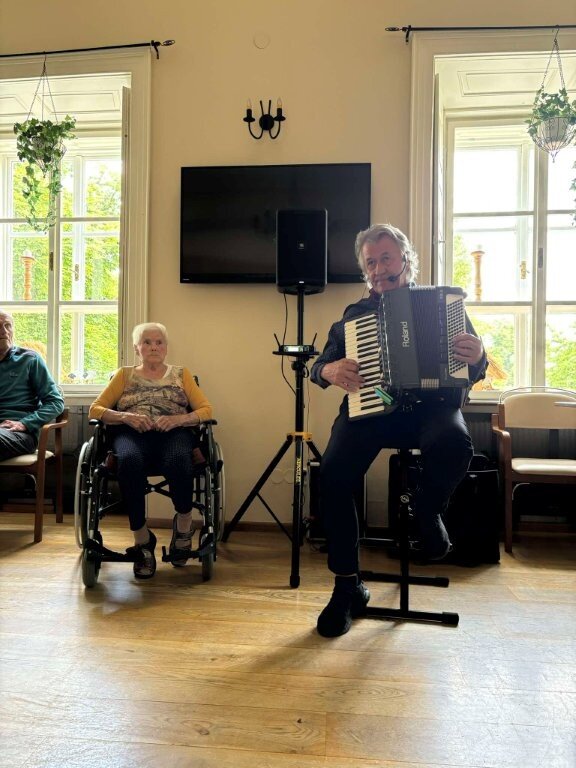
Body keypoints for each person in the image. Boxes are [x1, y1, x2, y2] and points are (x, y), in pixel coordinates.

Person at [310, 224, 487, 638]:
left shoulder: (445, 305)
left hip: (432, 407)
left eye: (385, 259)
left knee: (456, 442)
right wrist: (329, 370)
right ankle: (347, 586)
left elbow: (474, 367)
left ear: (406, 260)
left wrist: (478, 356)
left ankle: (427, 509)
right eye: (370, 263)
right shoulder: (355, 315)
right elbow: (320, 364)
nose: (378, 269)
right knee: (333, 475)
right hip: (373, 409)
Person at [89, 322, 213, 579]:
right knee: (129, 461)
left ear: (166, 348)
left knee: (179, 460)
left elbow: (206, 410)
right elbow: (96, 409)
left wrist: (179, 420)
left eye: (159, 342)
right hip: (132, 434)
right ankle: (142, 540)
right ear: (137, 348)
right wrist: (126, 417)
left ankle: (184, 526)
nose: (153, 347)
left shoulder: (181, 374)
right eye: (147, 342)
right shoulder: (124, 375)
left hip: (174, 433)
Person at [0, 309, 64, 461]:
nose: (4, 331)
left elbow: (55, 402)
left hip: (18, 432)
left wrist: (25, 423)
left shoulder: (29, 359)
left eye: (8, 325)